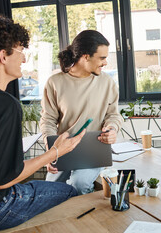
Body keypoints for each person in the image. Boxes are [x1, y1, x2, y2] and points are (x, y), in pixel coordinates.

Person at [0, 15, 85, 232]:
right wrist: (55, 152)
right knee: (69, 192)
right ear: (3, 56)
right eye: (20, 51)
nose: (24, 59)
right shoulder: (5, 104)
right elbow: (4, 180)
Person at [40, 30, 123, 195]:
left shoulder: (107, 82)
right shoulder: (55, 82)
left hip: (93, 150)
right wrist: (51, 151)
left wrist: (112, 129)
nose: (105, 63)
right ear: (85, 56)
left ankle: (87, 216)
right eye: (102, 58)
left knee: (79, 183)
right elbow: (48, 120)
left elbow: (113, 115)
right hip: (63, 150)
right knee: (49, 190)